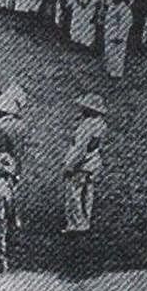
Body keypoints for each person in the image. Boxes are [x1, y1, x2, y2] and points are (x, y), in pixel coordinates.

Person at [61, 93, 107, 235]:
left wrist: (70, 166)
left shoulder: (86, 126)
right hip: (93, 163)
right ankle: (85, 220)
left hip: (81, 165)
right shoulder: (101, 124)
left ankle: (76, 223)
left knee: (74, 194)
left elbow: (80, 149)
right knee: (88, 193)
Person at [103, 0, 132, 78]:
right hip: (110, 34)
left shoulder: (124, 9)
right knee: (109, 54)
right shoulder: (112, 6)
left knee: (118, 55)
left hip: (117, 36)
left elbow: (125, 24)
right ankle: (110, 71)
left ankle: (117, 74)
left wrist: (120, 36)